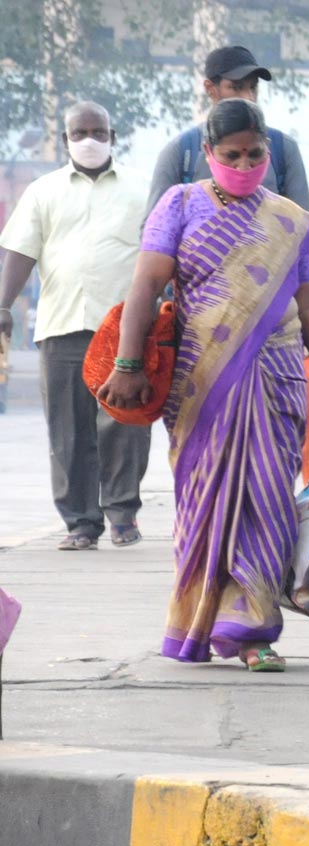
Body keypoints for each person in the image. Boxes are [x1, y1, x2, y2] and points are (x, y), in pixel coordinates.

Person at [97, 99, 309, 672]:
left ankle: (255, 631)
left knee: (267, 500)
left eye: (255, 152)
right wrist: (128, 362)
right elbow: (145, 288)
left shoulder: (288, 219)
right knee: (204, 501)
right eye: (231, 154)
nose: (244, 162)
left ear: (269, 150)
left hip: (276, 377)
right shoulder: (180, 204)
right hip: (202, 381)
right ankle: (197, 619)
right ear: (208, 155)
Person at [0, 101, 152, 551]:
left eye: (97, 131)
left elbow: (161, 255)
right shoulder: (43, 191)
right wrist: (4, 305)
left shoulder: (141, 189)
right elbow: (22, 251)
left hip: (124, 327)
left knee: (125, 421)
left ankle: (123, 513)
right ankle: (81, 522)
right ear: (64, 139)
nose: (89, 139)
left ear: (113, 135)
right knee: (68, 431)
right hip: (61, 325)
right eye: (79, 132)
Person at [146, 46, 309, 214]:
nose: (249, 97)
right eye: (236, 87)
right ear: (210, 89)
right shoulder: (181, 152)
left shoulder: (283, 149)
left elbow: (304, 229)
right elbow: (154, 229)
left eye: (253, 87)